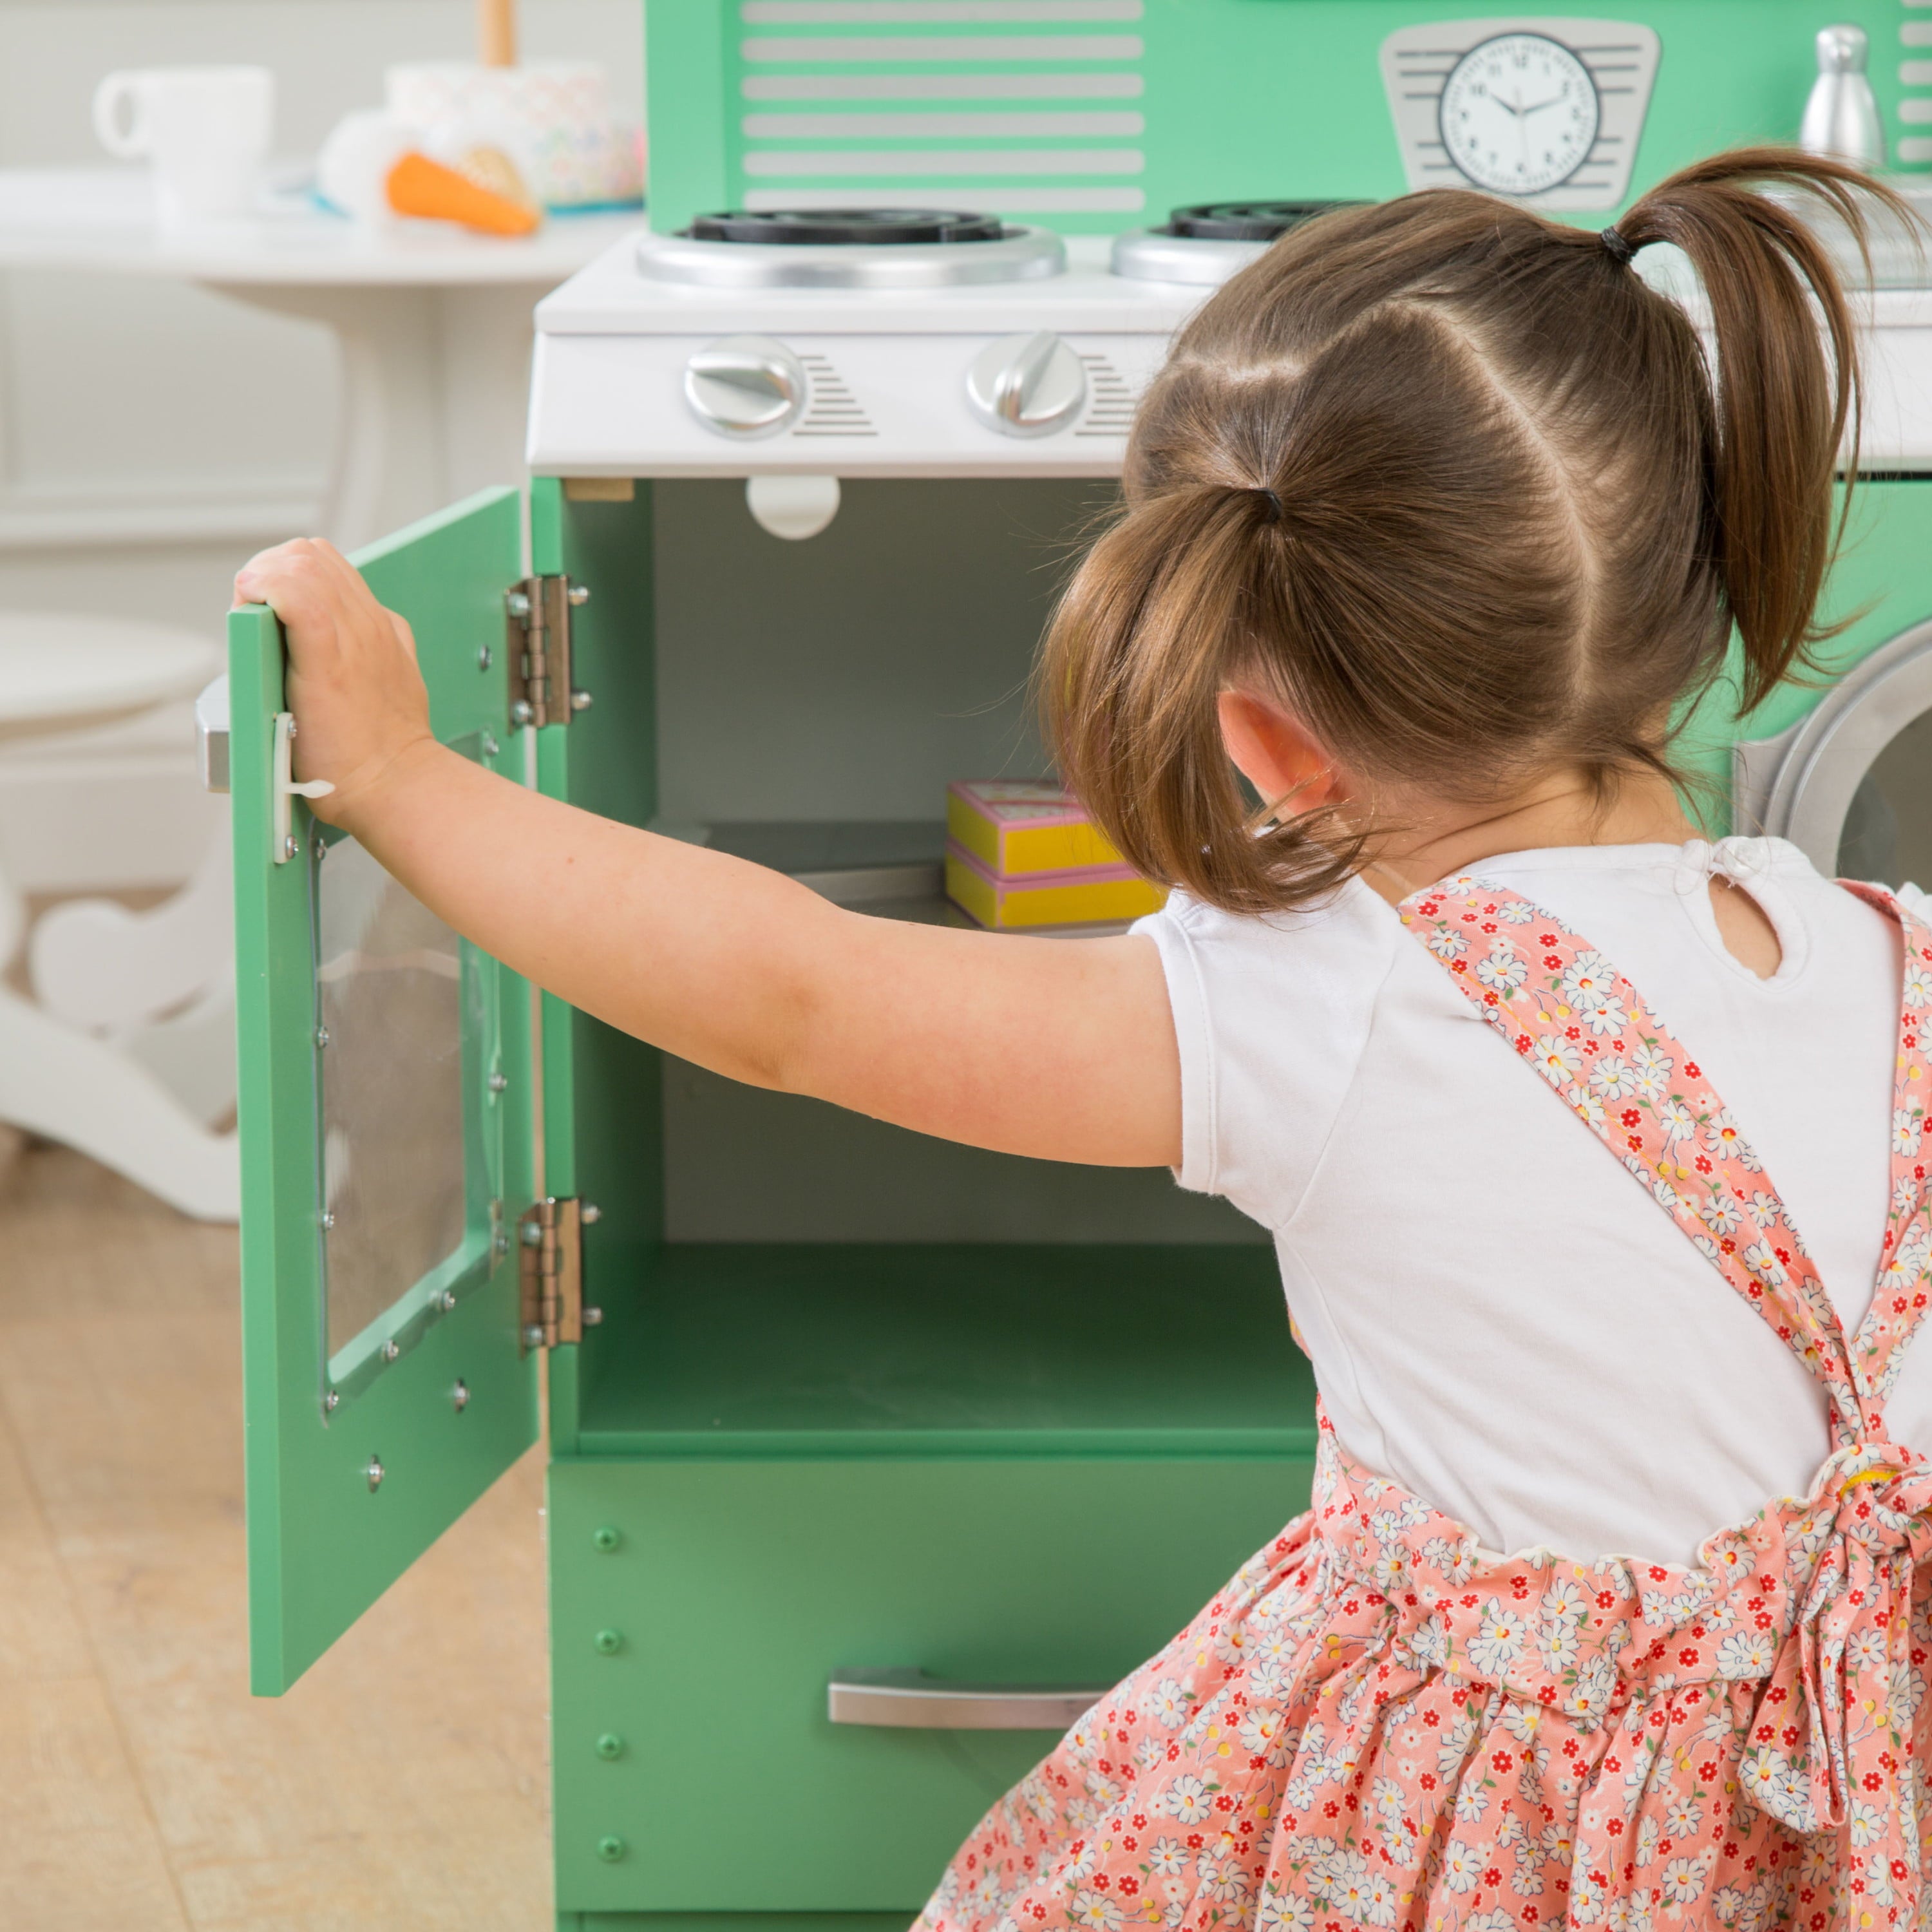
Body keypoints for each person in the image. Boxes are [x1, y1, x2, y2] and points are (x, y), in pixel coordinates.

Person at [235, 147, 1931, 1931]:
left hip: (1510, 1850)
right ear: (1692, 595)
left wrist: (404, 778)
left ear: (1268, 750)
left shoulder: (1343, 1001)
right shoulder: (1888, 959)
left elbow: (791, 997)